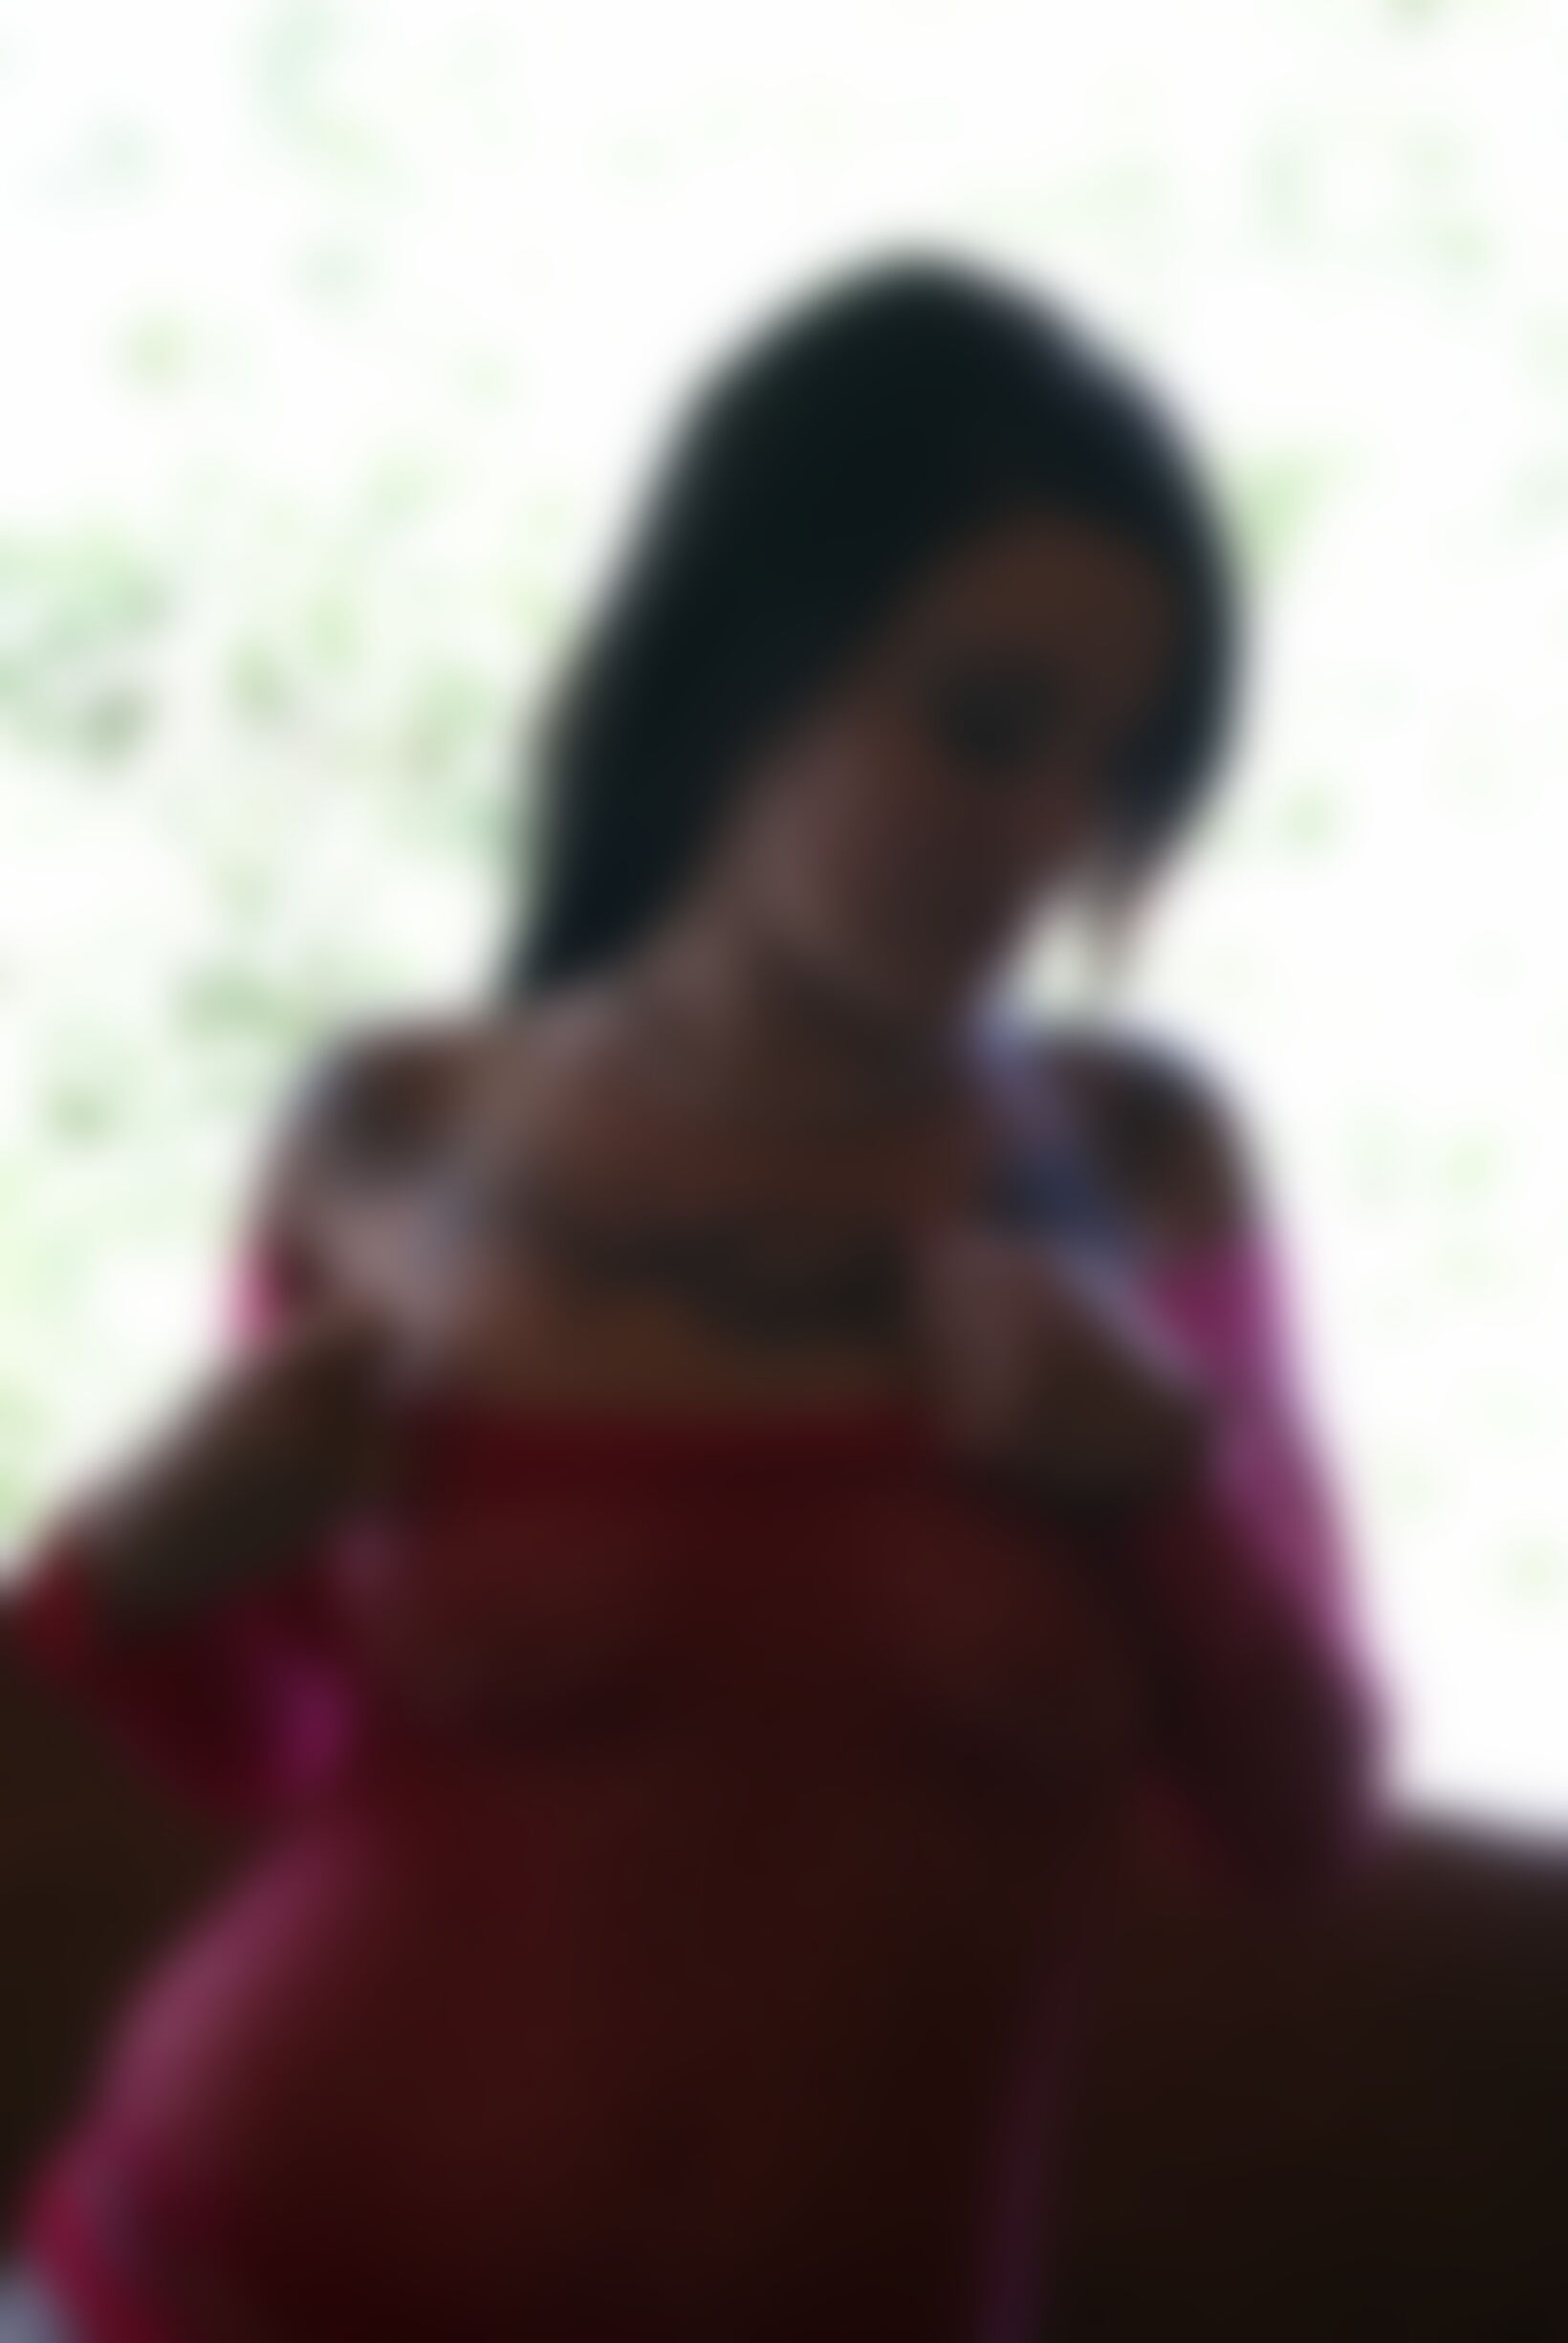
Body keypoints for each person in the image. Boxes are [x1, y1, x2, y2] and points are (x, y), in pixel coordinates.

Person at [0, 250, 1384, 2343]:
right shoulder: (395, 1133)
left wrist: (1160, 1484)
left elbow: (1300, 1816)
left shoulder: (1134, 1163)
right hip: (222, 2279)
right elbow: (263, 1735)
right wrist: (124, 1562)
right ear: (749, 661)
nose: (1049, 834)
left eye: (1117, 770)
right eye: (984, 724)